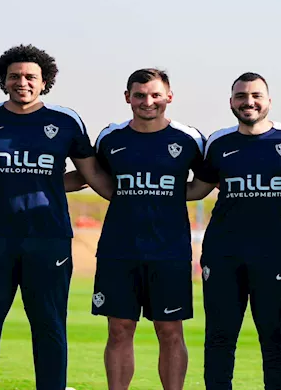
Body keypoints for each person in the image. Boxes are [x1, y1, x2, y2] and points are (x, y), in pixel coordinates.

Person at [0, 45, 113, 390]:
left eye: (30, 76)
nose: (22, 82)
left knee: (49, 325)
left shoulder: (65, 121)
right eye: (15, 76)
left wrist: (134, 197)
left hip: (48, 238)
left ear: (44, 81)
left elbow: (91, 174)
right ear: (3, 80)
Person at [73, 68, 204, 390]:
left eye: (156, 95)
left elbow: (204, 183)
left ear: (169, 97)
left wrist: (171, 196)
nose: (148, 101)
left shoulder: (189, 139)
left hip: (169, 251)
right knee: (119, 329)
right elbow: (93, 175)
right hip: (119, 250)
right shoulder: (111, 137)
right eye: (140, 95)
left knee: (170, 331)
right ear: (127, 97)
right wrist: (37, 180)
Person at [185, 72, 281, 390]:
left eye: (256, 95)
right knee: (220, 336)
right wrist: (142, 187)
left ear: (269, 100)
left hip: (277, 255)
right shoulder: (218, 142)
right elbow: (198, 189)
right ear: (231, 102)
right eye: (241, 96)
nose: (249, 102)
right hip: (223, 254)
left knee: (276, 337)